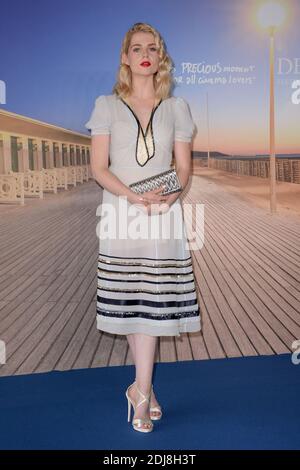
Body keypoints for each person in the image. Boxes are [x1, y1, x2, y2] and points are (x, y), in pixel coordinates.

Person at [85, 22, 201, 433]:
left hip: (162, 215)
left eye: (152, 48)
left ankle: (141, 391)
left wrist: (172, 195)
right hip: (122, 213)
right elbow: (99, 168)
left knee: (150, 305)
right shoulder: (106, 105)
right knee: (133, 303)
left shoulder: (177, 108)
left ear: (160, 57)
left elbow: (183, 168)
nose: (145, 54)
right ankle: (143, 391)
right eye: (137, 48)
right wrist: (134, 198)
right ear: (125, 57)